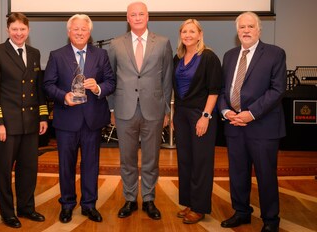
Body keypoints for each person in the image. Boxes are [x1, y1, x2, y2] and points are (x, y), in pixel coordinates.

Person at [43, 14, 116, 223]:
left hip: (92, 121)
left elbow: (111, 82)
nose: (80, 32)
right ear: (69, 32)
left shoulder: (101, 55)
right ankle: (67, 204)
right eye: (76, 29)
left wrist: (98, 87)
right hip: (67, 120)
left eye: (84, 29)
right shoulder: (57, 55)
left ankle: (89, 205)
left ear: (90, 32)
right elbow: (48, 85)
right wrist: (63, 97)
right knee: (66, 165)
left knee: (91, 164)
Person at [218, 11, 286, 232]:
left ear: (259, 29)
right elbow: (221, 91)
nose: (246, 31)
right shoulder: (229, 55)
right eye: (242, 27)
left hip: (262, 126)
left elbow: (277, 90)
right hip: (234, 125)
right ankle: (241, 212)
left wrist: (251, 113)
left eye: (250, 27)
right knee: (237, 173)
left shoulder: (275, 54)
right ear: (237, 32)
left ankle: (270, 220)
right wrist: (226, 111)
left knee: (266, 175)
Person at [0, 12, 49, 228]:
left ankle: (27, 208)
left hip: (30, 122)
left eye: (22, 29)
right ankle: (8, 212)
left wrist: (43, 116)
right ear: (8, 30)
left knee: (29, 169)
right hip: (7, 124)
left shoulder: (35, 53)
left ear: (28, 30)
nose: (19, 33)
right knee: (3, 169)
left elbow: (37, 89)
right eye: (14, 29)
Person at [108, 1, 173, 220]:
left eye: (141, 14)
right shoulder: (116, 44)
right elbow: (110, 78)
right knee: (126, 158)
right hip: (124, 110)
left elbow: (167, 79)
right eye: (133, 14)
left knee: (151, 158)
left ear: (148, 17)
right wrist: (111, 109)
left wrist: (166, 111)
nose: (137, 17)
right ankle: (129, 199)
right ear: (127, 18)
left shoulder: (163, 43)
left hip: (153, 110)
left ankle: (148, 199)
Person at [172, 19, 222, 224]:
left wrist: (206, 116)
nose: (188, 35)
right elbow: (175, 90)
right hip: (182, 115)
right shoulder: (178, 58)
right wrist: (175, 115)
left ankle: (200, 207)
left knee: (201, 161)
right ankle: (189, 203)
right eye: (184, 31)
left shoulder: (209, 57)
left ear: (200, 34)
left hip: (201, 114)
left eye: (192, 31)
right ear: (181, 35)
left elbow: (214, 90)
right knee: (185, 160)